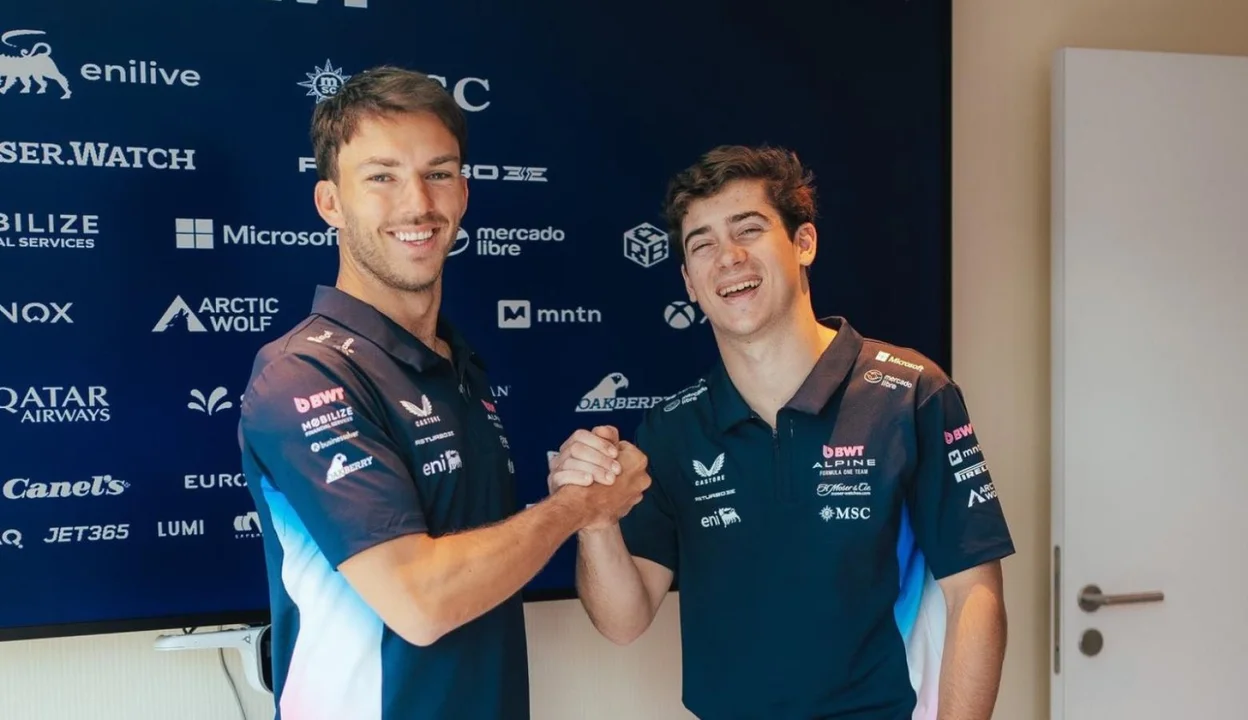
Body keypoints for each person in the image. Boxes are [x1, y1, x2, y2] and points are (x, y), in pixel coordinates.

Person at [236, 66, 650, 720]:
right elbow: (421, 602)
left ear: (462, 192)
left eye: (438, 173)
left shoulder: (458, 366)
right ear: (330, 203)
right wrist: (575, 506)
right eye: (381, 177)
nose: (417, 204)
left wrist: (585, 498)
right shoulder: (306, 373)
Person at [550, 145, 1015, 719]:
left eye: (749, 229)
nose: (729, 257)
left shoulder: (911, 393)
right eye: (702, 245)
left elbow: (974, 594)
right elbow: (623, 621)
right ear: (689, 282)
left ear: (804, 243)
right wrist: (594, 522)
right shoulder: (672, 429)